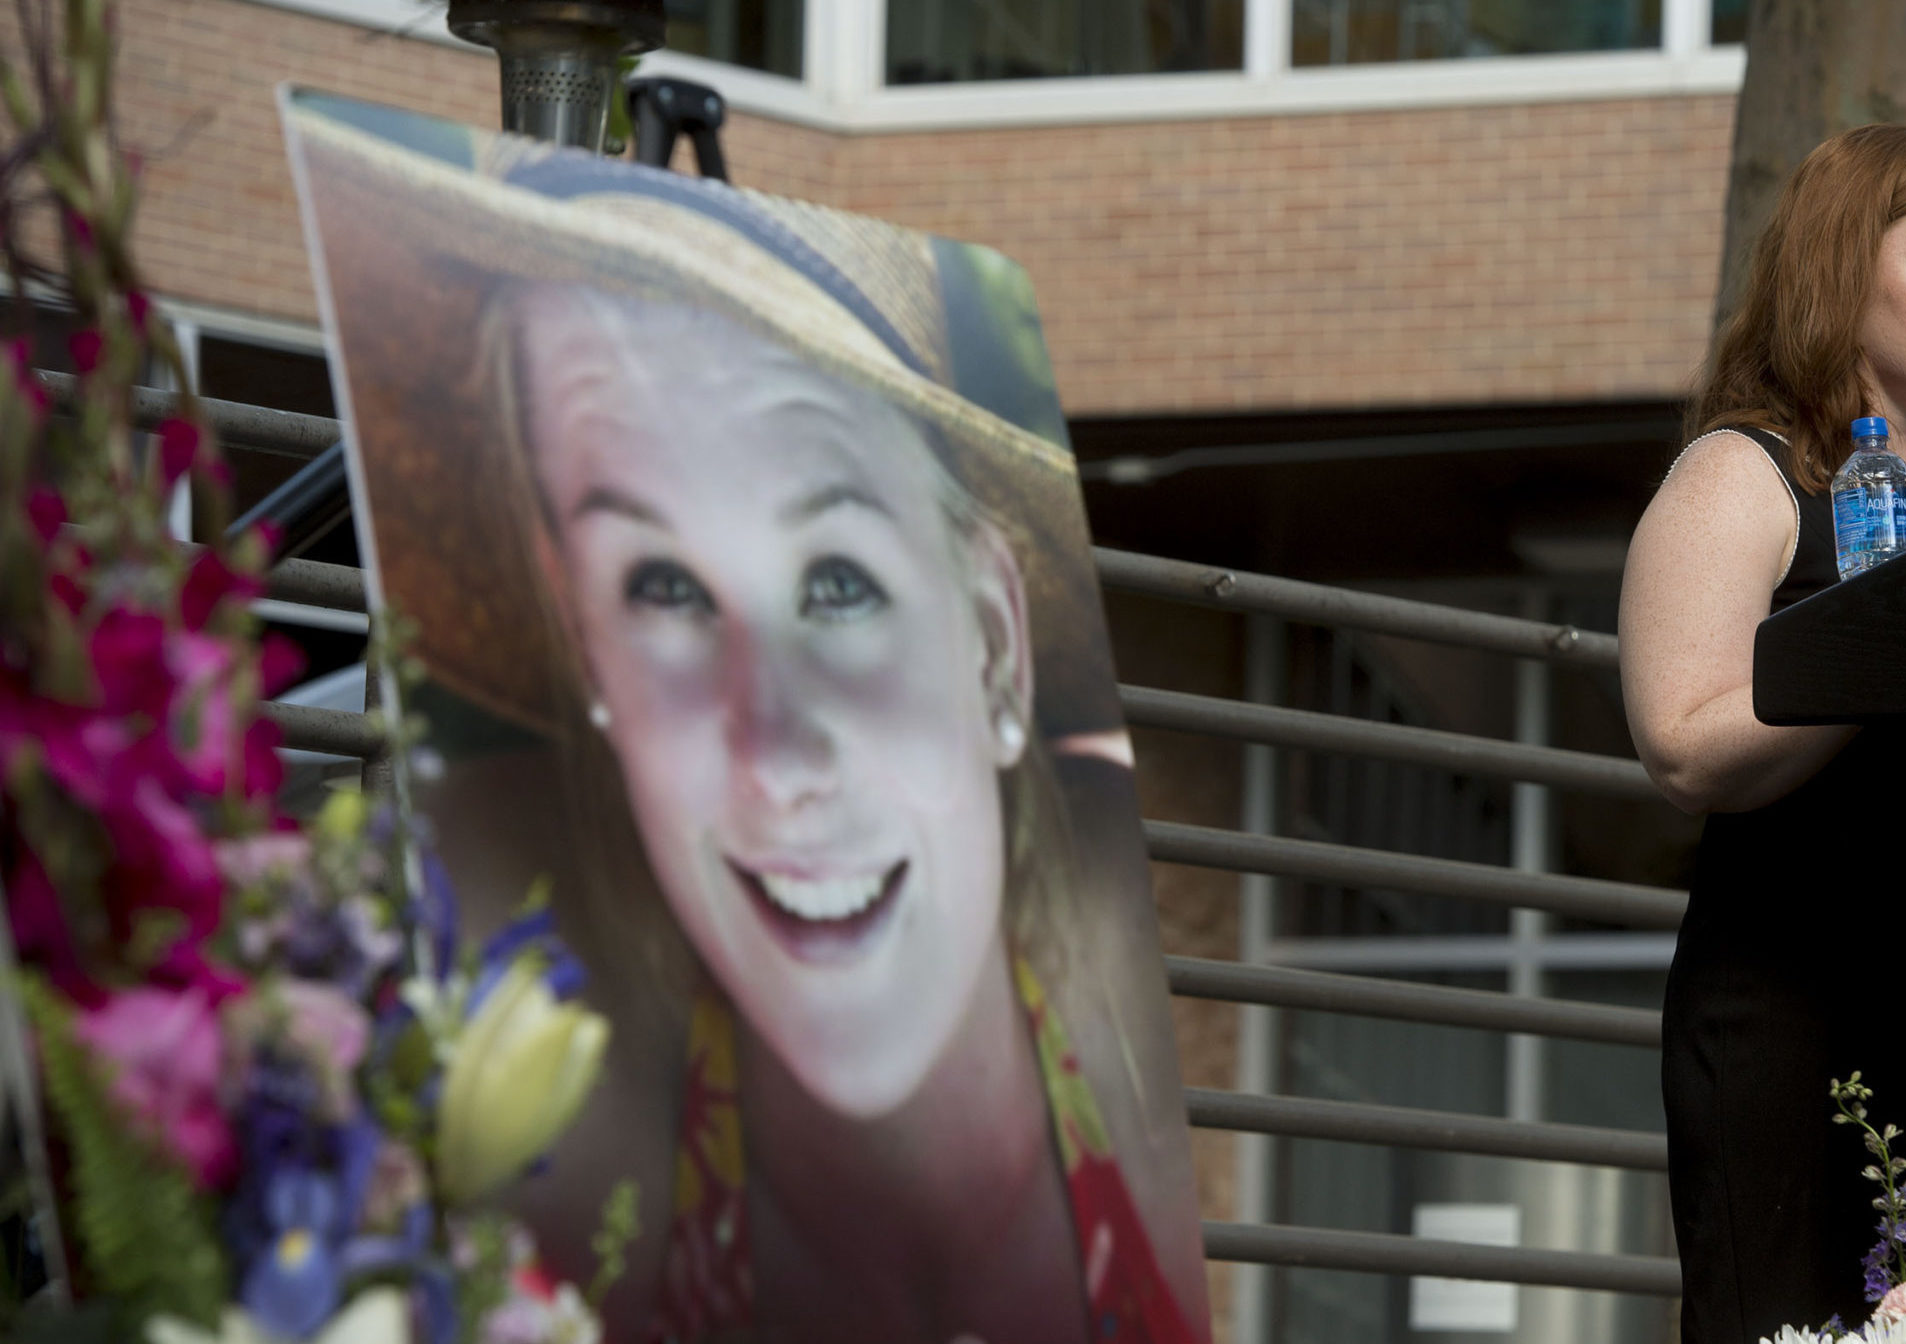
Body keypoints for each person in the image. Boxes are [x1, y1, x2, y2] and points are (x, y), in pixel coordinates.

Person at [281, 97, 1210, 1344]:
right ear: (580, 638)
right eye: (661, 589)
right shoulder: (532, 1035)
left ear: (993, 636)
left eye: (838, 582)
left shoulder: (1121, 973)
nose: (772, 754)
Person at [1617, 123, 1906, 1342]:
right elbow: (1683, 742)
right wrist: (1888, 649)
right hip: (1795, 1014)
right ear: (1842, 272)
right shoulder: (1741, 474)